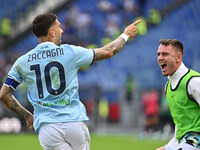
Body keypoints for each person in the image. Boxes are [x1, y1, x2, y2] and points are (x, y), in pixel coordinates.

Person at [0, 12, 142, 150]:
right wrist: (126, 34)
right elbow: (107, 51)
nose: (61, 30)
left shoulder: (22, 62)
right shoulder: (69, 52)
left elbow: (4, 94)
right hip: (73, 122)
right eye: (58, 27)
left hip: (47, 127)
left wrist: (27, 116)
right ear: (52, 31)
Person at [156, 39, 200, 150]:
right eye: (159, 54)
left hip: (196, 141)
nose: (160, 58)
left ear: (178, 57)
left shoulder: (193, 81)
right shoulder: (168, 87)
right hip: (184, 141)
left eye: (165, 54)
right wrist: (170, 145)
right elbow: (179, 124)